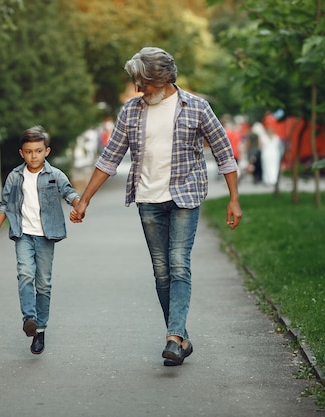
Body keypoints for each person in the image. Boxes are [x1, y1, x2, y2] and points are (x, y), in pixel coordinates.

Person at [70, 47, 242, 366]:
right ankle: (181, 338)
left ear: (163, 79)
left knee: (178, 264)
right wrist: (85, 199)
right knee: (162, 273)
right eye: (137, 82)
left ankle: (173, 337)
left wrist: (234, 198)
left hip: (185, 196)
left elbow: (224, 153)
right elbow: (109, 158)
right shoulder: (131, 111)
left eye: (144, 83)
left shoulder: (197, 107)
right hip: (148, 199)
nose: (139, 89)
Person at [0, 125, 80, 355]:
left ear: (46, 151)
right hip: (23, 234)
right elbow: (4, 204)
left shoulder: (55, 175)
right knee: (25, 274)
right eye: (29, 152)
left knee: (43, 284)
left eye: (38, 151)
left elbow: (69, 193)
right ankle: (29, 318)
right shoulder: (15, 176)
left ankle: (40, 330)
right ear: (22, 153)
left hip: (46, 236)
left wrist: (80, 206)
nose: (34, 156)